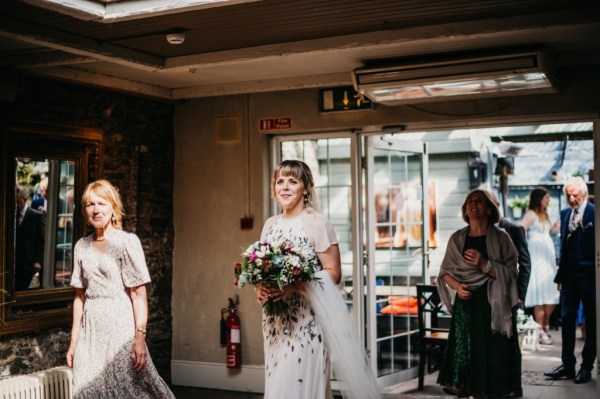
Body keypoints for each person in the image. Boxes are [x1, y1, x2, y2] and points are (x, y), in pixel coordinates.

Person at [255, 160, 380, 399]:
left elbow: (333, 272)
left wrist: (293, 286)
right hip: (274, 322)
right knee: (278, 381)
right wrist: (261, 288)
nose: (285, 187)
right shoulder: (270, 225)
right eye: (280, 181)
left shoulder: (318, 222)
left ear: (306, 188)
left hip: (307, 322)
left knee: (297, 383)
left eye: (293, 181)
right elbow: (263, 269)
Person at [66, 179, 175, 398]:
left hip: (120, 327)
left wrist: (140, 338)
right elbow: (80, 297)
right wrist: (74, 342)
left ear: (113, 207)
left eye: (102, 203)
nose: (96, 210)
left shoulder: (126, 242)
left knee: (128, 389)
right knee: (85, 390)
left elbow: (138, 295)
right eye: (90, 204)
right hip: (90, 330)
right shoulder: (80, 246)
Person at [436, 189, 519, 398]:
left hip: (494, 304)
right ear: (465, 210)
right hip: (468, 303)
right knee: (467, 348)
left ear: (489, 209)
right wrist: (457, 287)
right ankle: (465, 385)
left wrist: (485, 264)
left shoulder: (501, 238)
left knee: (494, 350)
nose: (474, 204)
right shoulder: (457, 238)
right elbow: (445, 273)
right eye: (470, 201)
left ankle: (497, 388)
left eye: (479, 201)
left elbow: (512, 271)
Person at [544, 177, 596, 384]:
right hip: (569, 277)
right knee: (566, 320)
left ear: (583, 194)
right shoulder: (565, 214)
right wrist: (561, 277)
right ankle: (567, 365)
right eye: (568, 195)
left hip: (590, 275)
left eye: (575, 195)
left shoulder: (594, 212)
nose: (571, 199)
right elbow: (564, 249)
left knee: (591, 322)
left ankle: (586, 367)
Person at [491, 190, 531, 398]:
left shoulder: (514, 228)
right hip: (487, 296)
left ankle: (513, 385)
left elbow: (525, 263)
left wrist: (520, 295)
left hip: (509, 295)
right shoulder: (479, 230)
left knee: (509, 340)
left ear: (497, 204)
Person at [521, 187, 560, 344]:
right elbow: (520, 229)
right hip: (537, 259)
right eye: (546, 197)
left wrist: (553, 229)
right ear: (539, 198)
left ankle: (544, 326)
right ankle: (540, 329)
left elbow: (546, 233)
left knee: (551, 293)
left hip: (548, 260)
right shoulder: (531, 214)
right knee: (539, 294)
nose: (548, 200)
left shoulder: (545, 215)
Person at [15, 186, 46, 290]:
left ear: (24, 199)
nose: (15, 204)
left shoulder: (37, 216)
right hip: (15, 263)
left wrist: (38, 261)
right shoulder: (12, 215)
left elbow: (43, 240)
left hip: (30, 264)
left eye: (17, 201)